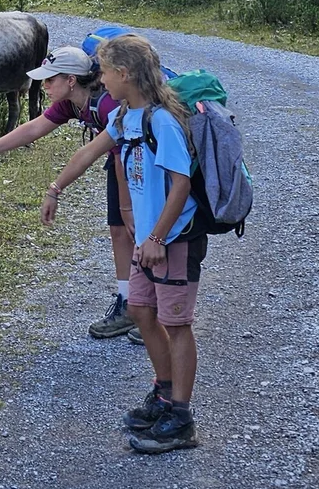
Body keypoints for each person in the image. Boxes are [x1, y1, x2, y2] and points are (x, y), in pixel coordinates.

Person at [41, 32, 202, 453]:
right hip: (148, 240)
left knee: (176, 322)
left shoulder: (162, 120)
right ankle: (164, 394)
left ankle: (181, 418)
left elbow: (181, 185)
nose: (101, 79)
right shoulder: (125, 117)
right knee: (140, 310)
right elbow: (89, 153)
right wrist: (55, 189)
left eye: (106, 71)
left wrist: (155, 236)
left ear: (125, 73)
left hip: (173, 238)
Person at [0, 46, 140, 341]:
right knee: (119, 232)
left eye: (49, 80)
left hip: (143, 165)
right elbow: (35, 128)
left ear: (71, 80)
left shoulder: (109, 105)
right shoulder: (72, 103)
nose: (43, 86)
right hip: (121, 161)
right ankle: (129, 305)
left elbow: (104, 153)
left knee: (143, 234)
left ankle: (154, 313)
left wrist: (125, 207)